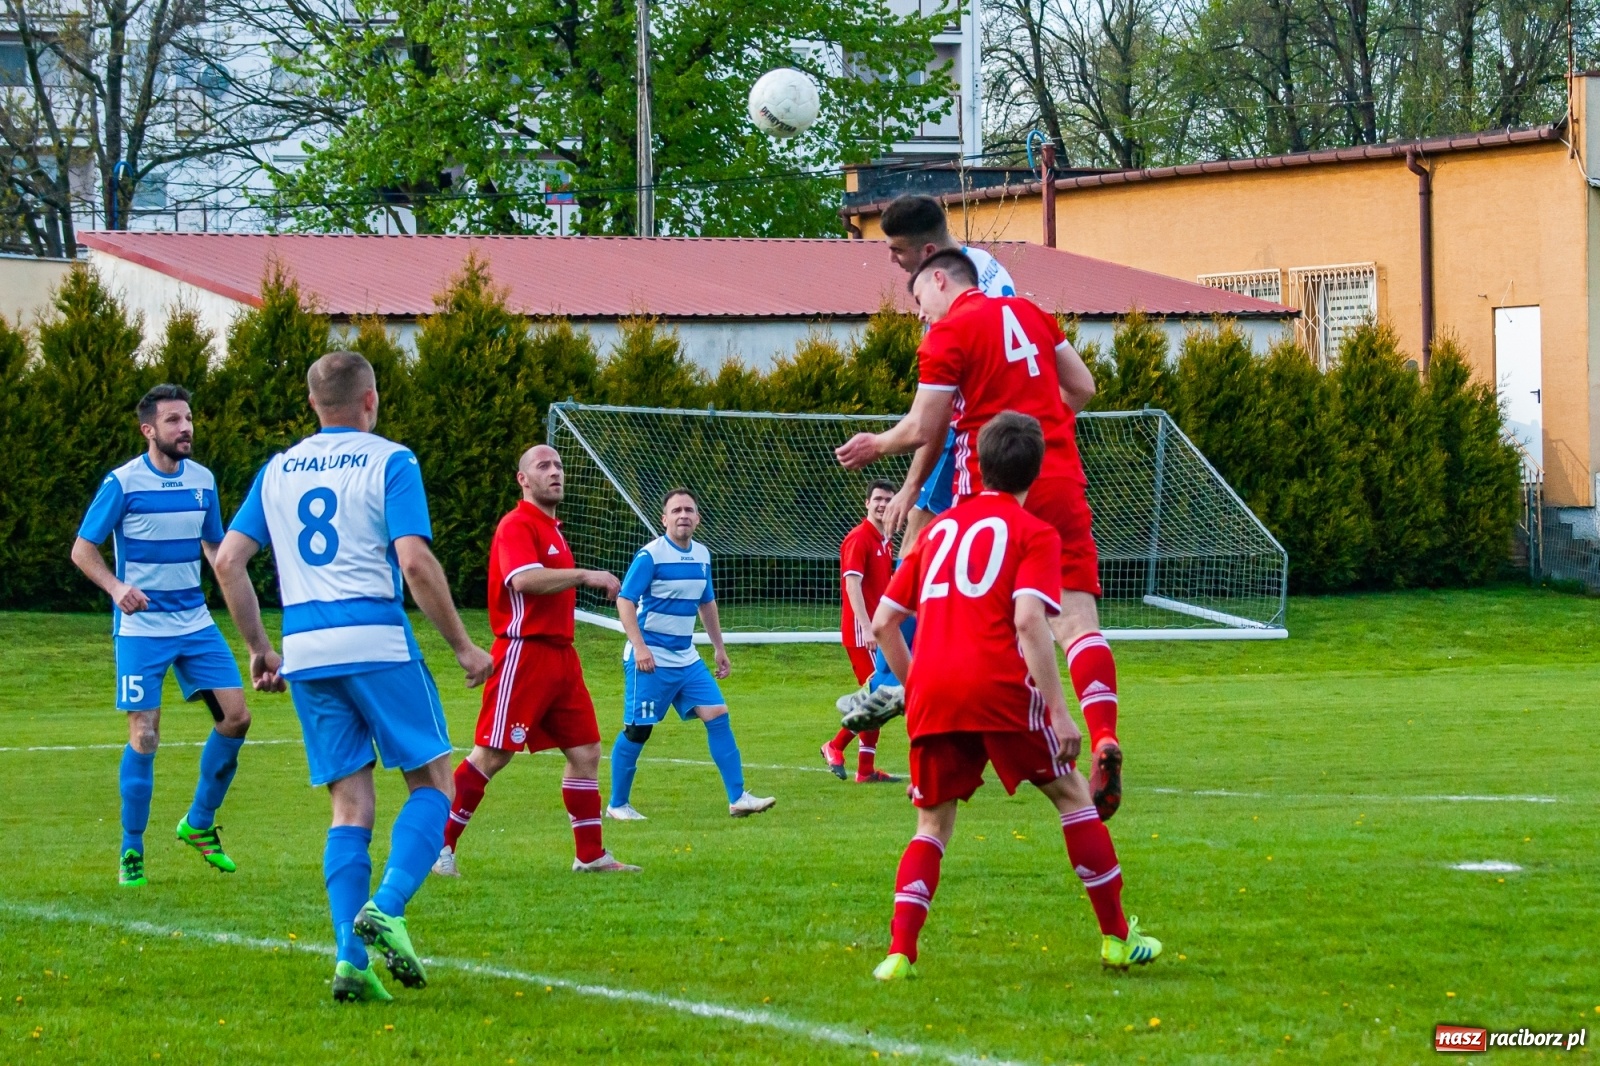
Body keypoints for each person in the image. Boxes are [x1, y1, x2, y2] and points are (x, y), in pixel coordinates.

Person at [213, 351, 494, 1004]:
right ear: (371, 399)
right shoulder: (390, 460)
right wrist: (461, 645)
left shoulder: (278, 470)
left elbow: (229, 561)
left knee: (348, 805)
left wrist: (259, 648)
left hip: (307, 650)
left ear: (314, 405)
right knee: (433, 781)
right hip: (374, 638)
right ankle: (389, 906)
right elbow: (415, 563)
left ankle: (350, 959)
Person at [867, 413, 1161, 981]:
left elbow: (884, 623)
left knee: (931, 825)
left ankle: (900, 953)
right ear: (1038, 469)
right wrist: (1057, 710)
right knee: (1074, 797)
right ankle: (1118, 939)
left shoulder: (937, 531)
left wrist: (912, 689)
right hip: (997, 686)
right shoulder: (1035, 533)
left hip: (933, 690)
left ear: (976, 464)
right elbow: (1029, 622)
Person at [834, 250, 1125, 822]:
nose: (922, 317)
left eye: (920, 302)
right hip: (1058, 474)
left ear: (940, 280)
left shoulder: (949, 335)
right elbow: (1084, 387)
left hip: (991, 491)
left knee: (973, 609)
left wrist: (876, 445)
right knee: (1077, 624)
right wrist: (1043, 425)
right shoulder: (1030, 312)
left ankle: (937, 709)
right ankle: (1105, 735)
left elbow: (925, 426)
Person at [71, 384, 253, 889]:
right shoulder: (123, 483)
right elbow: (83, 549)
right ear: (149, 430)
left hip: (195, 622)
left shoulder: (203, 481)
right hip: (142, 629)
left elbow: (219, 553)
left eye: (189, 418)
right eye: (173, 420)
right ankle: (132, 848)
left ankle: (198, 823)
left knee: (237, 718)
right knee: (145, 733)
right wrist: (115, 586)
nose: (186, 427)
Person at [433, 444, 638, 877]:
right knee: (492, 754)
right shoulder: (516, 525)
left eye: (559, 465)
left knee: (585, 751)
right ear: (522, 479)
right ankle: (437, 847)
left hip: (562, 656)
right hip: (524, 652)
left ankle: (590, 856)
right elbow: (523, 580)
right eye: (543, 466)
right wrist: (585, 575)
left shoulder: (554, 528)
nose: (555, 472)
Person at [604, 488, 775, 820]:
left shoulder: (702, 555)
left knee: (717, 714)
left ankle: (738, 797)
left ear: (697, 518)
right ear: (664, 518)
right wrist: (639, 648)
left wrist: (719, 647)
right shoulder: (649, 556)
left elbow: (706, 603)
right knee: (638, 730)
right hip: (650, 659)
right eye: (676, 510)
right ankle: (617, 804)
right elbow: (625, 601)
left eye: (689, 510)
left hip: (687, 658)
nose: (683, 515)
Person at [877, 194, 1018, 549]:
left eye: (897, 250)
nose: (891, 258)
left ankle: (900, 607)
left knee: (916, 539)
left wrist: (908, 486)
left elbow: (936, 417)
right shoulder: (986, 265)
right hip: (1007, 431)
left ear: (928, 253)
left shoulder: (950, 310)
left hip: (968, 435)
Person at [820, 479, 899, 783]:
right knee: (877, 696)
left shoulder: (885, 538)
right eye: (877, 499)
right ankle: (834, 745)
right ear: (867, 503)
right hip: (861, 633)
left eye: (888, 499)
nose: (883, 504)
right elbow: (852, 584)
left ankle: (865, 770)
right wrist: (867, 629)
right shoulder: (859, 538)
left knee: (881, 696)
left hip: (879, 629)